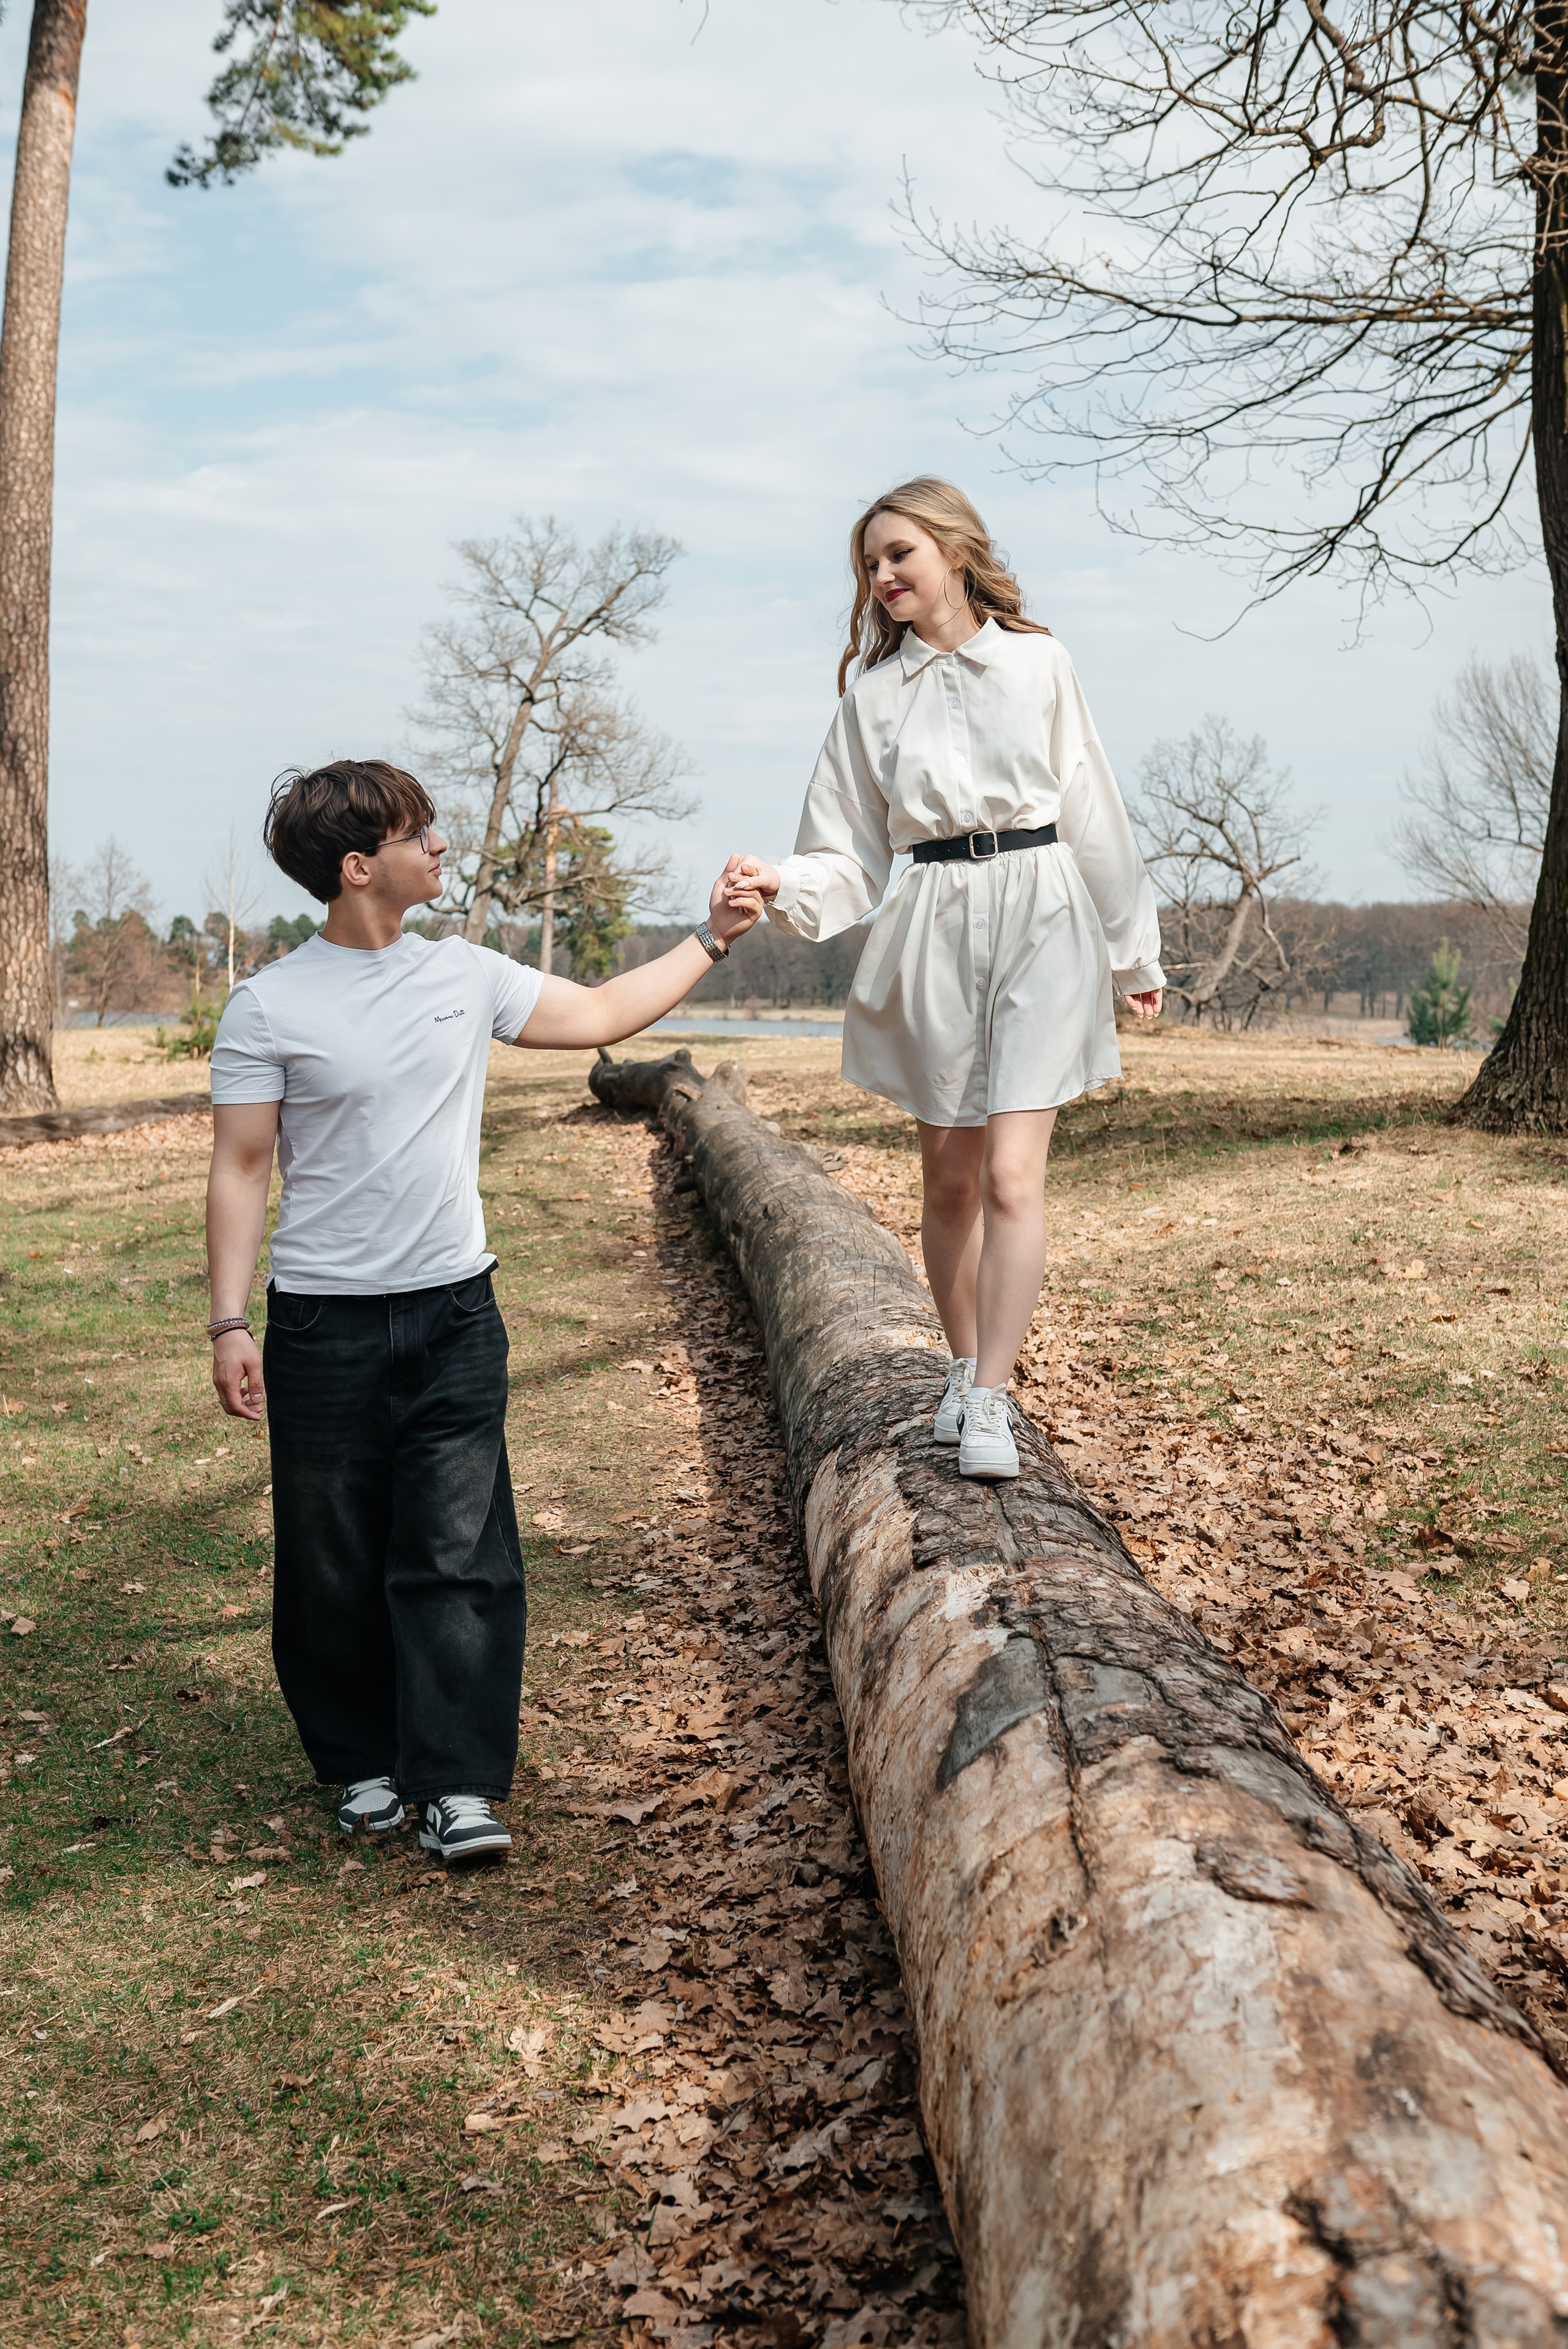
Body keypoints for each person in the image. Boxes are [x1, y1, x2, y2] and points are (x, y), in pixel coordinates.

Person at [206, 760, 761, 1864]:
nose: (440, 847)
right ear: (358, 867)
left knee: (461, 1549)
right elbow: (242, 1166)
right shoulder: (269, 1005)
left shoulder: (463, 972)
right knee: (330, 1558)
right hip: (322, 1325)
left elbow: (600, 1012)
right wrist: (229, 1323)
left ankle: (457, 1782)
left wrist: (712, 937)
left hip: (456, 1314)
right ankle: (363, 1762)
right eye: (417, 834)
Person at [726, 478, 1163, 1484]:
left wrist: (1132, 952)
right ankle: (965, 1371)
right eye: (870, 565)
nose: (882, 576)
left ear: (955, 552)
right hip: (932, 919)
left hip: (1043, 912)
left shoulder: (1041, 663)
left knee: (1012, 1174)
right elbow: (846, 853)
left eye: (899, 555)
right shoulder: (871, 701)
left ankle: (996, 1398)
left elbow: (1092, 807)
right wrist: (782, 881)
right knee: (952, 1180)